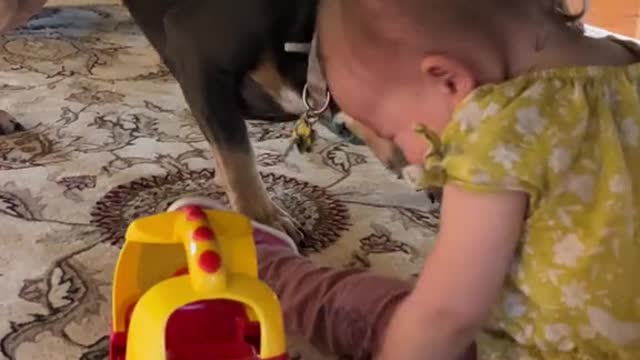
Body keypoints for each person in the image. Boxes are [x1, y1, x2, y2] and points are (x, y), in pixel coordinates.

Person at [175, 0, 640, 358]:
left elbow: (447, 316)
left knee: (386, 314)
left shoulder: (501, 128)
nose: (402, 151)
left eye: (389, 130)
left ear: (448, 80)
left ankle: (269, 269)